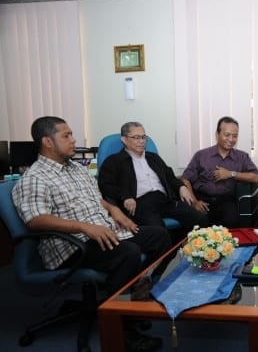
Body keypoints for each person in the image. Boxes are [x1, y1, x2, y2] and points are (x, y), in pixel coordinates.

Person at [12, 116, 171, 352]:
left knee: (161, 236)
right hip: (72, 244)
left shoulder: (76, 168)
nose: (73, 140)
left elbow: (96, 200)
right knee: (129, 253)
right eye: (66, 136)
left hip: (103, 230)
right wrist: (85, 227)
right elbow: (36, 220)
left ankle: (134, 295)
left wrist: (114, 210)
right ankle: (123, 329)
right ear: (47, 141)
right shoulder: (35, 178)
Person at [98, 122, 208, 236]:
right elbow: (106, 186)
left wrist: (181, 187)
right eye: (136, 137)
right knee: (159, 232)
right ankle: (169, 252)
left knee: (201, 218)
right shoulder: (114, 161)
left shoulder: (153, 158)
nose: (141, 141)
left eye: (143, 137)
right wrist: (125, 197)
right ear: (124, 140)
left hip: (165, 200)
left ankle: (191, 250)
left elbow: (169, 176)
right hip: (140, 204)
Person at [182, 116, 258, 227]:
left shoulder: (241, 157)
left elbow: (256, 177)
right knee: (199, 221)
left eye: (235, 136)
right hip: (202, 199)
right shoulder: (202, 155)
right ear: (217, 134)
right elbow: (186, 178)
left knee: (232, 220)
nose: (231, 139)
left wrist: (231, 174)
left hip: (226, 201)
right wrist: (194, 202)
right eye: (227, 135)